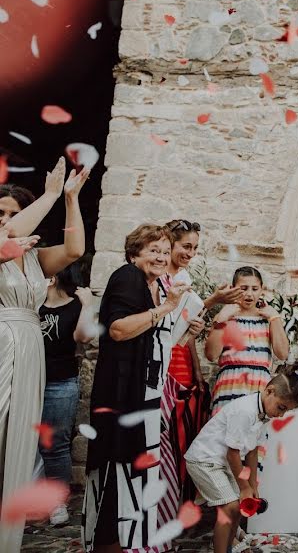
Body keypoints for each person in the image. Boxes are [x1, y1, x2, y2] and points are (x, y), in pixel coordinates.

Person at [82, 224, 190, 553]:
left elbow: (157, 340)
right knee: (118, 471)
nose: (160, 256)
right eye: (152, 250)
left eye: (163, 250)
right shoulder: (128, 277)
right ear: (134, 254)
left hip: (145, 395)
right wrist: (166, 309)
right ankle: (109, 545)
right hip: (122, 394)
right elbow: (117, 330)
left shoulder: (154, 286)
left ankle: (126, 543)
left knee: (130, 471)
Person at [0, 158, 88, 551]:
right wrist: (49, 193)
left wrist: (69, 199)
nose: (6, 220)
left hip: (31, 350)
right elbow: (9, 237)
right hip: (2, 341)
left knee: (19, 439)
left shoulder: (35, 258)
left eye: (12, 213)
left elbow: (75, 248)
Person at [156, 220, 242, 527]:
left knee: (184, 438)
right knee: (166, 439)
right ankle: (160, 512)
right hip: (162, 362)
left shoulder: (183, 276)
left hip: (182, 359)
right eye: (185, 247)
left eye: (194, 248)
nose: (190, 253)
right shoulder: (158, 279)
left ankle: (178, 508)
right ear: (170, 243)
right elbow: (172, 318)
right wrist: (213, 301)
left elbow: (187, 329)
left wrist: (196, 371)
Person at [185, 362, 298, 553]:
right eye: (281, 407)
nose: (281, 415)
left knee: (238, 506)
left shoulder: (263, 415)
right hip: (203, 460)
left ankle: (230, 545)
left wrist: (253, 485)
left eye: (285, 411)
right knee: (230, 506)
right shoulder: (245, 411)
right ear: (269, 391)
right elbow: (232, 453)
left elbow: (252, 451)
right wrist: (244, 487)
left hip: (220, 463)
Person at [38, 264, 95, 525]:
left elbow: (83, 337)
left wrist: (87, 305)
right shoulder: (32, 303)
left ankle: (56, 503)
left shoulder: (75, 306)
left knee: (55, 445)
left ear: (56, 275)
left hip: (59, 383)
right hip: (27, 380)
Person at [206, 267, 289, 414]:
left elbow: (282, 354)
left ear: (261, 289)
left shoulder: (268, 318)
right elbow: (211, 355)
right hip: (229, 386)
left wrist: (275, 318)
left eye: (255, 288)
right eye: (243, 288)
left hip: (258, 388)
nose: (249, 294)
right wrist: (221, 319)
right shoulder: (225, 316)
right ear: (233, 289)